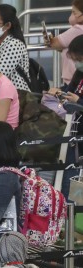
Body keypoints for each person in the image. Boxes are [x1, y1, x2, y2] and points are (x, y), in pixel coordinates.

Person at [51, 35, 83, 195]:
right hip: (73, 133)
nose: (78, 63)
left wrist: (79, 101)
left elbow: (77, 98)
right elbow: (69, 92)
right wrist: (57, 93)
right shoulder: (79, 74)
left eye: (79, 59)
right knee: (70, 180)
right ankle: (69, 213)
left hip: (78, 136)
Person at [43, 0, 83, 86]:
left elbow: (55, 43)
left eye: (74, 12)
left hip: (73, 79)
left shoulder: (78, 29)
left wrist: (49, 39)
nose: (72, 15)